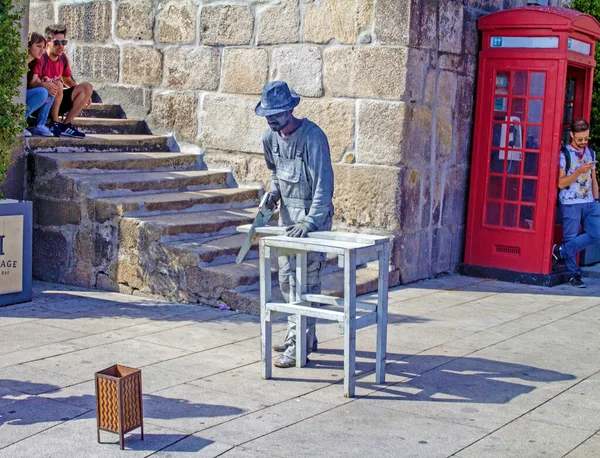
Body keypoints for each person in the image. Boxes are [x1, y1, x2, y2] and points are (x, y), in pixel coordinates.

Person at [255, 81, 335, 368]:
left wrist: (311, 222)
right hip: (287, 222)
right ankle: (301, 336)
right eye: (268, 115)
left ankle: (298, 345)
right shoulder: (270, 138)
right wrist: (272, 194)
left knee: (307, 284)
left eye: (276, 114)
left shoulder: (313, 138)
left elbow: (324, 187)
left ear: (290, 109)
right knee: (287, 281)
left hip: (312, 221)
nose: (272, 119)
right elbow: (275, 173)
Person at [552, 118, 600, 288]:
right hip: (570, 202)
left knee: (597, 234)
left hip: (590, 202)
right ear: (572, 134)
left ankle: (561, 251)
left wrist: (596, 200)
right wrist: (579, 171)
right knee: (570, 237)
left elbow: (593, 179)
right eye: (579, 139)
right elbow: (561, 183)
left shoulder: (591, 153)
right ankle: (574, 275)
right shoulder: (564, 154)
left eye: (586, 138)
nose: (583, 142)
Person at [29, 24, 93, 138]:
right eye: (56, 43)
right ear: (47, 42)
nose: (61, 46)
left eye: (63, 42)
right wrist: (45, 85)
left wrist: (84, 95)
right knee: (58, 84)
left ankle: (66, 124)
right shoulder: (40, 58)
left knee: (87, 87)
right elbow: (30, 84)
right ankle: (54, 123)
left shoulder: (63, 58)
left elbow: (68, 80)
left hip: (56, 100)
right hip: (41, 103)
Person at [24, 32, 56, 137]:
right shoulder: (21, 62)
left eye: (43, 47)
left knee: (51, 89)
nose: (41, 50)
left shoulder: (36, 62)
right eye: (38, 46)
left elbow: (35, 82)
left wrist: (45, 83)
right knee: (42, 91)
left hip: (28, 95)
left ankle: (40, 124)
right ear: (28, 46)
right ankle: (20, 122)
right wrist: (42, 88)